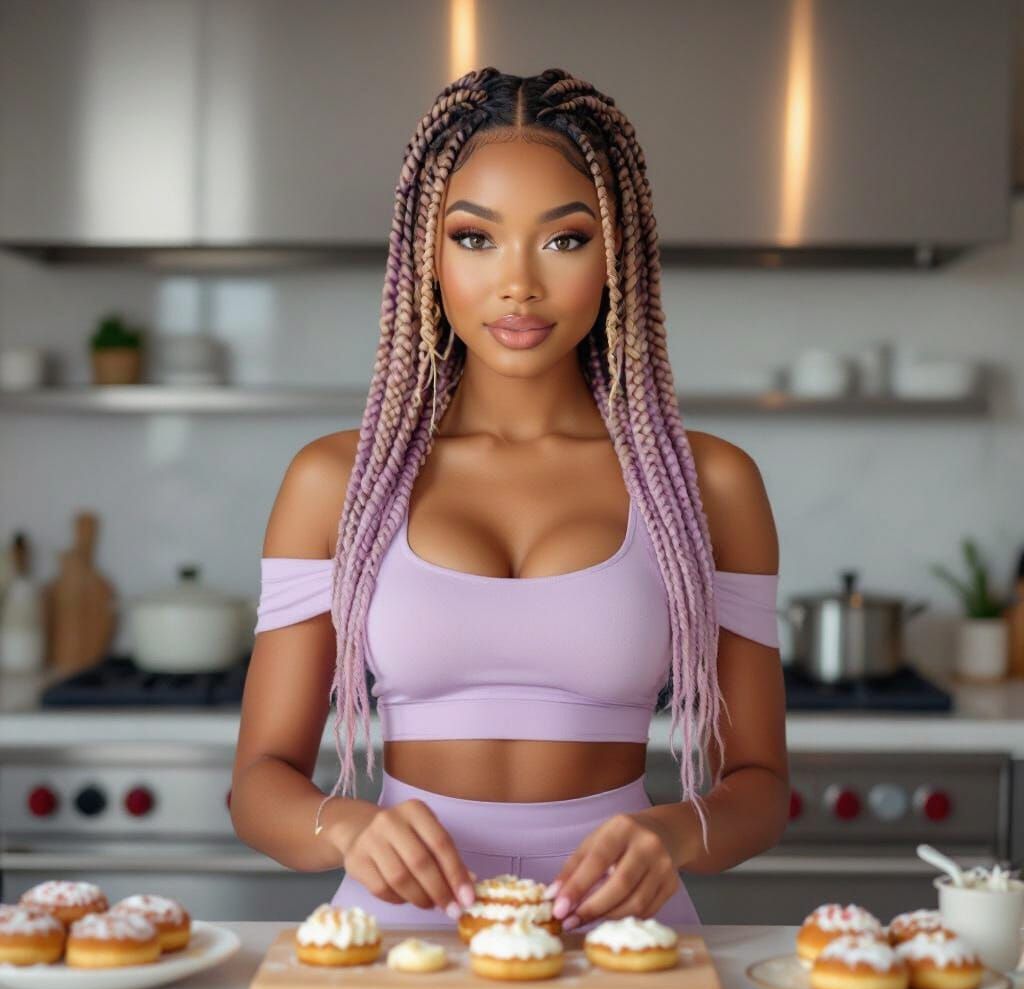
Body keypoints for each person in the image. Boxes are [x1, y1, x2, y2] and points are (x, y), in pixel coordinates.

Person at [230, 67, 788, 934]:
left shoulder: (706, 485)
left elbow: (761, 786)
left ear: (618, 254)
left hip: (624, 938)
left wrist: (674, 832)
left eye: (564, 240)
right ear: (428, 255)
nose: (517, 283)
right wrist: (346, 826)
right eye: (475, 238)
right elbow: (259, 782)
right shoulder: (335, 483)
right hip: (400, 934)